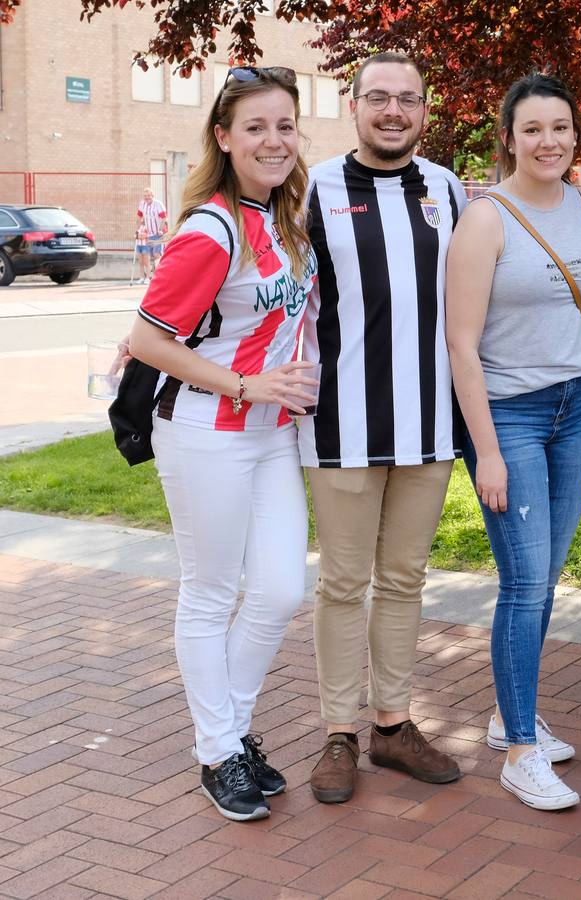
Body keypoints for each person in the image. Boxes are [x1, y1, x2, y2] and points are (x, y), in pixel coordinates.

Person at [126, 66, 318, 821]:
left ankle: (230, 734)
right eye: (256, 128)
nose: (273, 141)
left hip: (271, 433)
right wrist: (245, 385)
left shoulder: (280, 215)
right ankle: (219, 751)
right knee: (210, 593)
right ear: (224, 138)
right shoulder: (211, 228)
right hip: (208, 430)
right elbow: (146, 339)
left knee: (278, 590)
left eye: (285, 126)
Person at [299, 51, 467, 803]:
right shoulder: (313, 190)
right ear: (355, 105)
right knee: (342, 582)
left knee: (402, 579)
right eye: (379, 98)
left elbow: (478, 290)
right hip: (340, 424)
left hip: (430, 423)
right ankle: (338, 731)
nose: (393, 111)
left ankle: (392, 727)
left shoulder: (449, 189)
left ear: (425, 109)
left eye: (407, 99)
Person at [446, 73, 581, 811]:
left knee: (545, 573)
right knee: (525, 581)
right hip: (510, 415)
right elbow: (462, 345)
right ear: (508, 138)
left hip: (577, 406)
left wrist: (578, 327)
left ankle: (511, 711)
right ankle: (519, 752)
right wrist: (490, 453)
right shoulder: (485, 219)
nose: (550, 142)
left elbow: (567, 293)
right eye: (534, 129)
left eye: (562, 128)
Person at [137, 186, 168, 279]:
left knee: (156, 254)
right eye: (145, 196)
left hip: (158, 234)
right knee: (151, 256)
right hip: (148, 234)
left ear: (152, 196)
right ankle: (157, 272)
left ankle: (159, 276)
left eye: (148, 195)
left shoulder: (158, 204)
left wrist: (160, 229)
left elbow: (164, 218)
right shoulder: (142, 204)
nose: (147, 197)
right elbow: (139, 217)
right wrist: (139, 229)